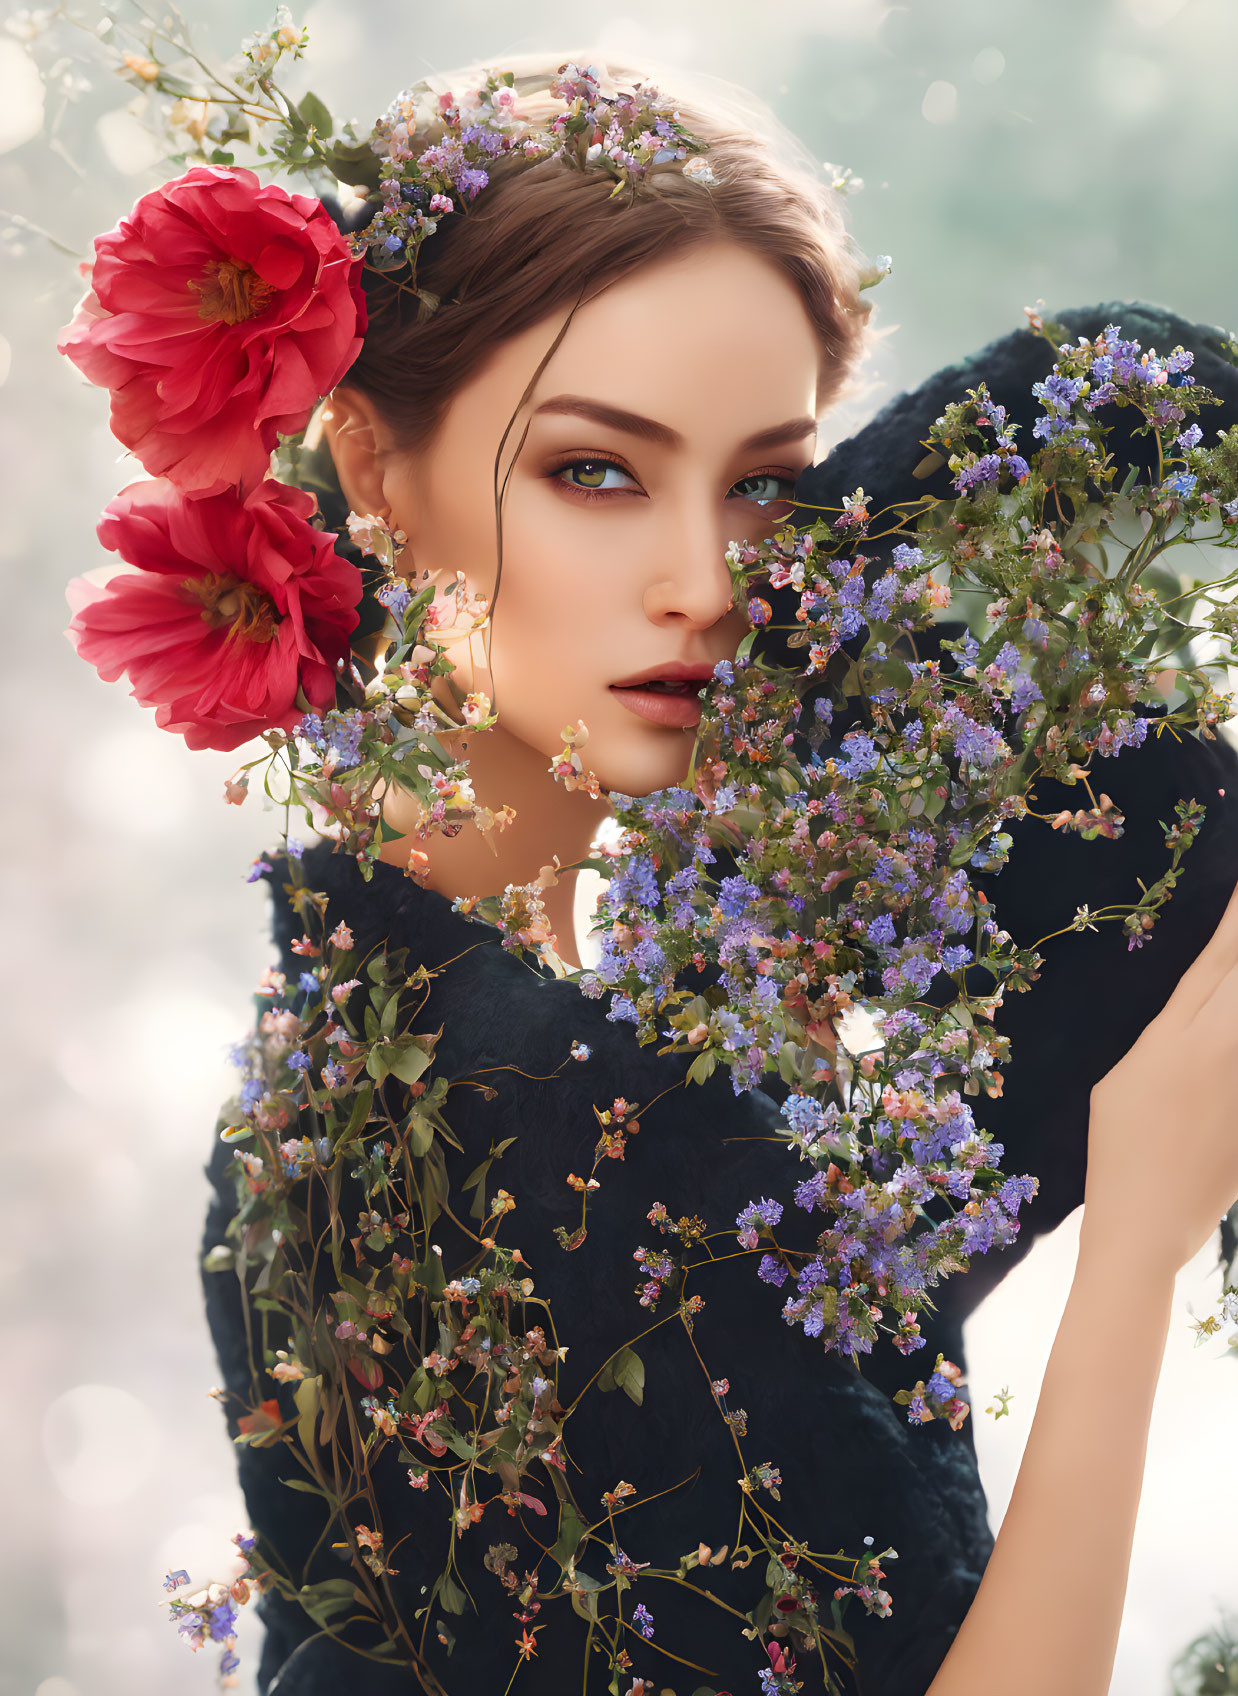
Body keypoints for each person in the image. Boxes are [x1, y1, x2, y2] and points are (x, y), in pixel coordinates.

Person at [179, 49, 1238, 1696]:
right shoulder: (500, 1099)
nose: (704, 580)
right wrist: (1141, 1233)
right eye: (593, 471)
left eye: (763, 489)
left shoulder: (407, 1019)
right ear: (374, 469)